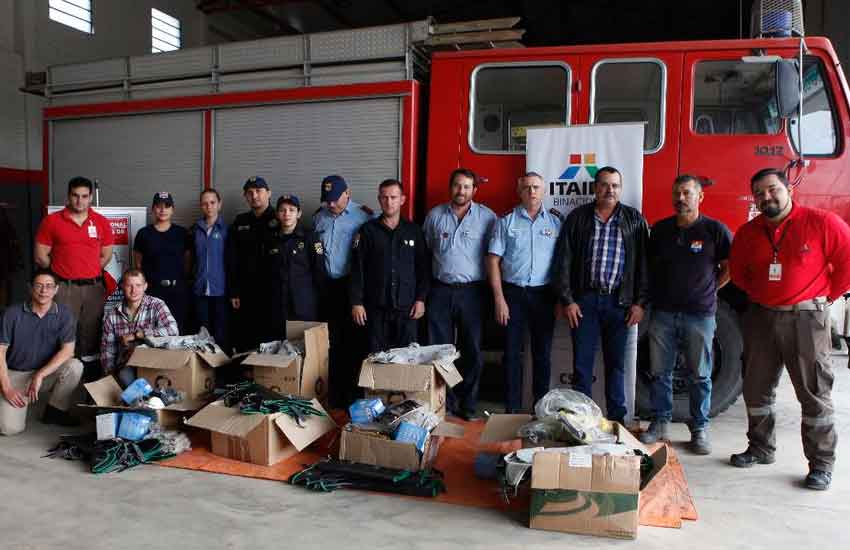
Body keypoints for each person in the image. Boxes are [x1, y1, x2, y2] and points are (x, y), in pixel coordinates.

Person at [728, 168, 850, 491]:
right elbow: (739, 274)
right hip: (762, 319)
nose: (766, 197)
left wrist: (825, 297)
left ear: (788, 190)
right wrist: (763, 296)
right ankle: (760, 448)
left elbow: (847, 262)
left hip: (807, 320)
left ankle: (821, 464)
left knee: (813, 393)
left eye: (772, 190)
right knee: (755, 389)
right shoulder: (748, 232)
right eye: (759, 193)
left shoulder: (821, 222)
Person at [639, 175, 732, 454]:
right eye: (677, 193)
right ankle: (659, 423)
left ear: (700, 197)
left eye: (687, 193)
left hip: (700, 316)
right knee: (659, 373)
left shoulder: (715, 230)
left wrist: (711, 289)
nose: (681, 198)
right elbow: (649, 268)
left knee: (700, 375)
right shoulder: (661, 230)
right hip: (663, 314)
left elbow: (730, 266)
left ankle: (699, 428)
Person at [554, 166, 650, 423]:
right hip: (584, 302)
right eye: (605, 185)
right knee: (582, 366)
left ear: (621, 189)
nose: (610, 190)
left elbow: (643, 265)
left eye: (615, 185)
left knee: (616, 366)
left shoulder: (634, 220)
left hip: (620, 304)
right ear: (595, 188)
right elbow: (563, 261)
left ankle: (618, 421)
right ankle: (581, 421)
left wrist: (640, 303)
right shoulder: (578, 218)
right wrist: (568, 300)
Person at [424, 168, 496, 421]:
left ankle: (467, 403)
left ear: (474, 190)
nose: (461, 191)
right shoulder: (434, 216)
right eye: (457, 185)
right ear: (450, 187)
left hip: (473, 293)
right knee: (440, 351)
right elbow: (427, 252)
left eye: (466, 187)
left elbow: (494, 256)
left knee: (472, 351)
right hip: (440, 291)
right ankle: (447, 401)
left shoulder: (488, 218)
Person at [487, 172, 561, 413]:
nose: (532, 192)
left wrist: (560, 298)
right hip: (513, 296)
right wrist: (499, 299)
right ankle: (511, 411)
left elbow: (562, 264)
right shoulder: (505, 222)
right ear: (519, 191)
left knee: (542, 355)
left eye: (536, 187)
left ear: (544, 191)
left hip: (544, 296)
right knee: (511, 355)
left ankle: (540, 411)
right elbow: (493, 261)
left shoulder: (555, 223)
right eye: (527, 187)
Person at [34, 176, 114, 362]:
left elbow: (106, 256)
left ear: (91, 197)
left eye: (84, 196)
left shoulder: (101, 222)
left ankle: (89, 380)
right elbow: (41, 256)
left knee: (92, 333)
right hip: (64, 287)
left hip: (94, 288)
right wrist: (62, 273)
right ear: (68, 196)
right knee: (62, 331)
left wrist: (88, 271)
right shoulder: (52, 221)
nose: (80, 201)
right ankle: (63, 375)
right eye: (75, 196)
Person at [0, 269, 83, 435]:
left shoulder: (64, 314)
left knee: (74, 366)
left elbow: (68, 351)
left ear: (56, 289)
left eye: (49, 286)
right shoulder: (12, 314)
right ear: (30, 288)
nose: (44, 291)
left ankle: (55, 411)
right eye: (38, 285)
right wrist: (7, 388)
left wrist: (40, 375)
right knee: (9, 429)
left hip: (43, 374)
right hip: (14, 374)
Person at [313, 175, 372, 407]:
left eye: (335, 199)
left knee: (354, 343)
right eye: (327, 200)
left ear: (348, 193)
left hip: (352, 287)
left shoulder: (364, 216)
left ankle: (354, 395)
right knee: (331, 342)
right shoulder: (319, 218)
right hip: (327, 288)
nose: (331, 204)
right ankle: (334, 394)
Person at [351, 179, 429, 353]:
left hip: (407, 308)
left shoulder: (414, 231)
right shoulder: (367, 231)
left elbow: (423, 268)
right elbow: (358, 269)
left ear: (402, 199)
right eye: (384, 197)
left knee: (407, 358)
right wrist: (356, 302)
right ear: (379, 199)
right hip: (376, 307)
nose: (389, 202)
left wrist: (421, 299)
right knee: (376, 357)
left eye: (393, 197)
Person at [101, 269, 178, 387]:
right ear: (122, 286)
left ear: (145, 286)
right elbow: (108, 352)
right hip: (127, 366)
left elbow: (173, 330)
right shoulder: (112, 315)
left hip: (154, 363)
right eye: (129, 286)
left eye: (138, 285)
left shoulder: (157, 305)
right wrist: (110, 376)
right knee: (124, 377)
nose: (134, 290)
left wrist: (138, 334)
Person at [266, 194, 327, 338]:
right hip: (278, 305)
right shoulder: (270, 239)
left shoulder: (311, 237)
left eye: (291, 210)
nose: (287, 214)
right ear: (277, 214)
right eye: (282, 210)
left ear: (299, 213)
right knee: (279, 348)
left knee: (304, 347)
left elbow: (319, 271)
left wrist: (319, 301)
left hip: (303, 304)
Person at [227, 176, 276, 351]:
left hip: (272, 292)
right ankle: (245, 377)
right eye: (250, 192)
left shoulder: (280, 219)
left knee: (271, 338)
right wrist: (233, 291)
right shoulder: (240, 222)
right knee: (245, 337)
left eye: (258, 191)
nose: (254, 196)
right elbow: (232, 259)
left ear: (268, 193)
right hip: (246, 292)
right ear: (245, 196)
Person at [133, 192, 191, 333]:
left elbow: (188, 262)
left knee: (178, 330)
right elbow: (138, 264)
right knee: (152, 331)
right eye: (158, 206)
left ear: (172, 209)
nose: (163, 210)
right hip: (153, 292)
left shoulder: (182, 233)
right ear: (153, 209)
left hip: (177, 292)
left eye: (167, 206)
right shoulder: (143, 233)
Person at [190, 189, 229, 352]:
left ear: (219, 204)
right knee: (202, 334)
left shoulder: (227, 230)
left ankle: (221, 373)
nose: (209, 206)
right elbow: (189, 259)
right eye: (205, 203)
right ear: (201, 206)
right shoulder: (194, 230)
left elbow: (231, 261)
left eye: (212, 202)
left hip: (220, 291)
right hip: (199, 291)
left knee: (220, 334)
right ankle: (203, 373)